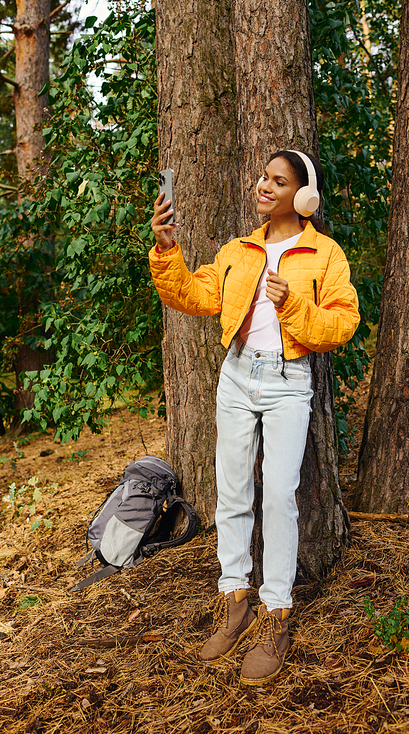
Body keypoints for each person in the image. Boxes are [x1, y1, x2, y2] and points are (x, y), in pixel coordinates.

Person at [149, 150, 360, 685]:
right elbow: (195, 297)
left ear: (302, 197)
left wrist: (293, 306)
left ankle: (277, 615)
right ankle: (236, 600)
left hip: (289, 381)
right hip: (237, 376)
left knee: (280, 496)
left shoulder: (325, 254)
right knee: (235, 492)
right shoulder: (238, 251)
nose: (264, 185)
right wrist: (167, 251)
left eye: (278, 180)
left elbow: (343, 323)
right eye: (264, 177)